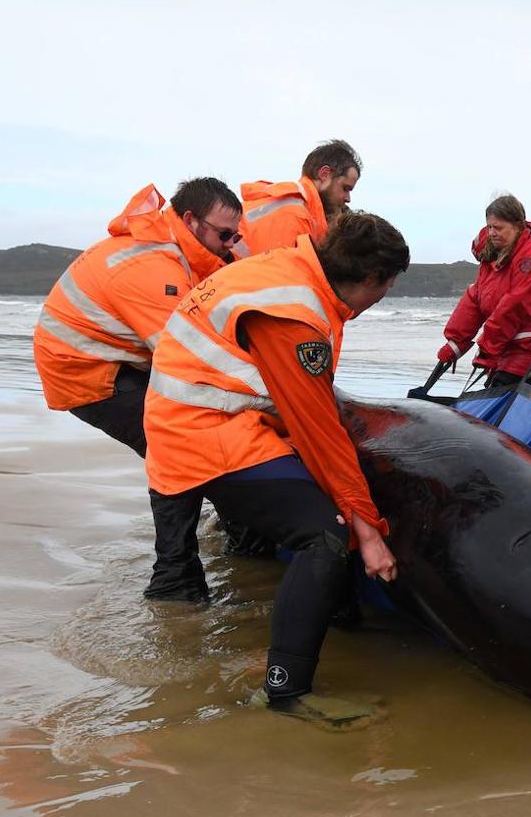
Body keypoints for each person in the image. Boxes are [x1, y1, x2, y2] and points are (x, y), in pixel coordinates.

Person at [142, 211, 410, 719]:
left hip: (206, 417)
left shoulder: (291, 269)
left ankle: (324, 614)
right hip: (205, 431)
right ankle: (286, 693)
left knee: (322, 510)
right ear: (372, 279)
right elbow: (318, 431)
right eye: (386, 288)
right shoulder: (294, 313)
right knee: (325, 534)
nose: (380, 300)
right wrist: (369, 531)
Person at [33, 178, 237, 454]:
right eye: (224, 235)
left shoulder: (172, 249)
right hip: (85, 371)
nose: (230, 246)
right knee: (179, 445)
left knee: (194, 435)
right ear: (190, 220)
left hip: (111, 357)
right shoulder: (156, 268)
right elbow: (187, 359)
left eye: (236, 237)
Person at [438, 195, 531, 387]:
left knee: (500, 404)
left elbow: (513, 308)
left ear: (518, 226)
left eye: (498, 228)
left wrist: (486, 350)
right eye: (490, 227)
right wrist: (456, 343)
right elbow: (476, 299)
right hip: (507, 349)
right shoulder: (494, 256)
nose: (492, 233)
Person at [236, 139, 361, 258]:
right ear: (324, 174)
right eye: (345, 188)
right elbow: (282, 276)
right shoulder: (294, 213)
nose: (348, 199)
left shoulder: (294, 206)